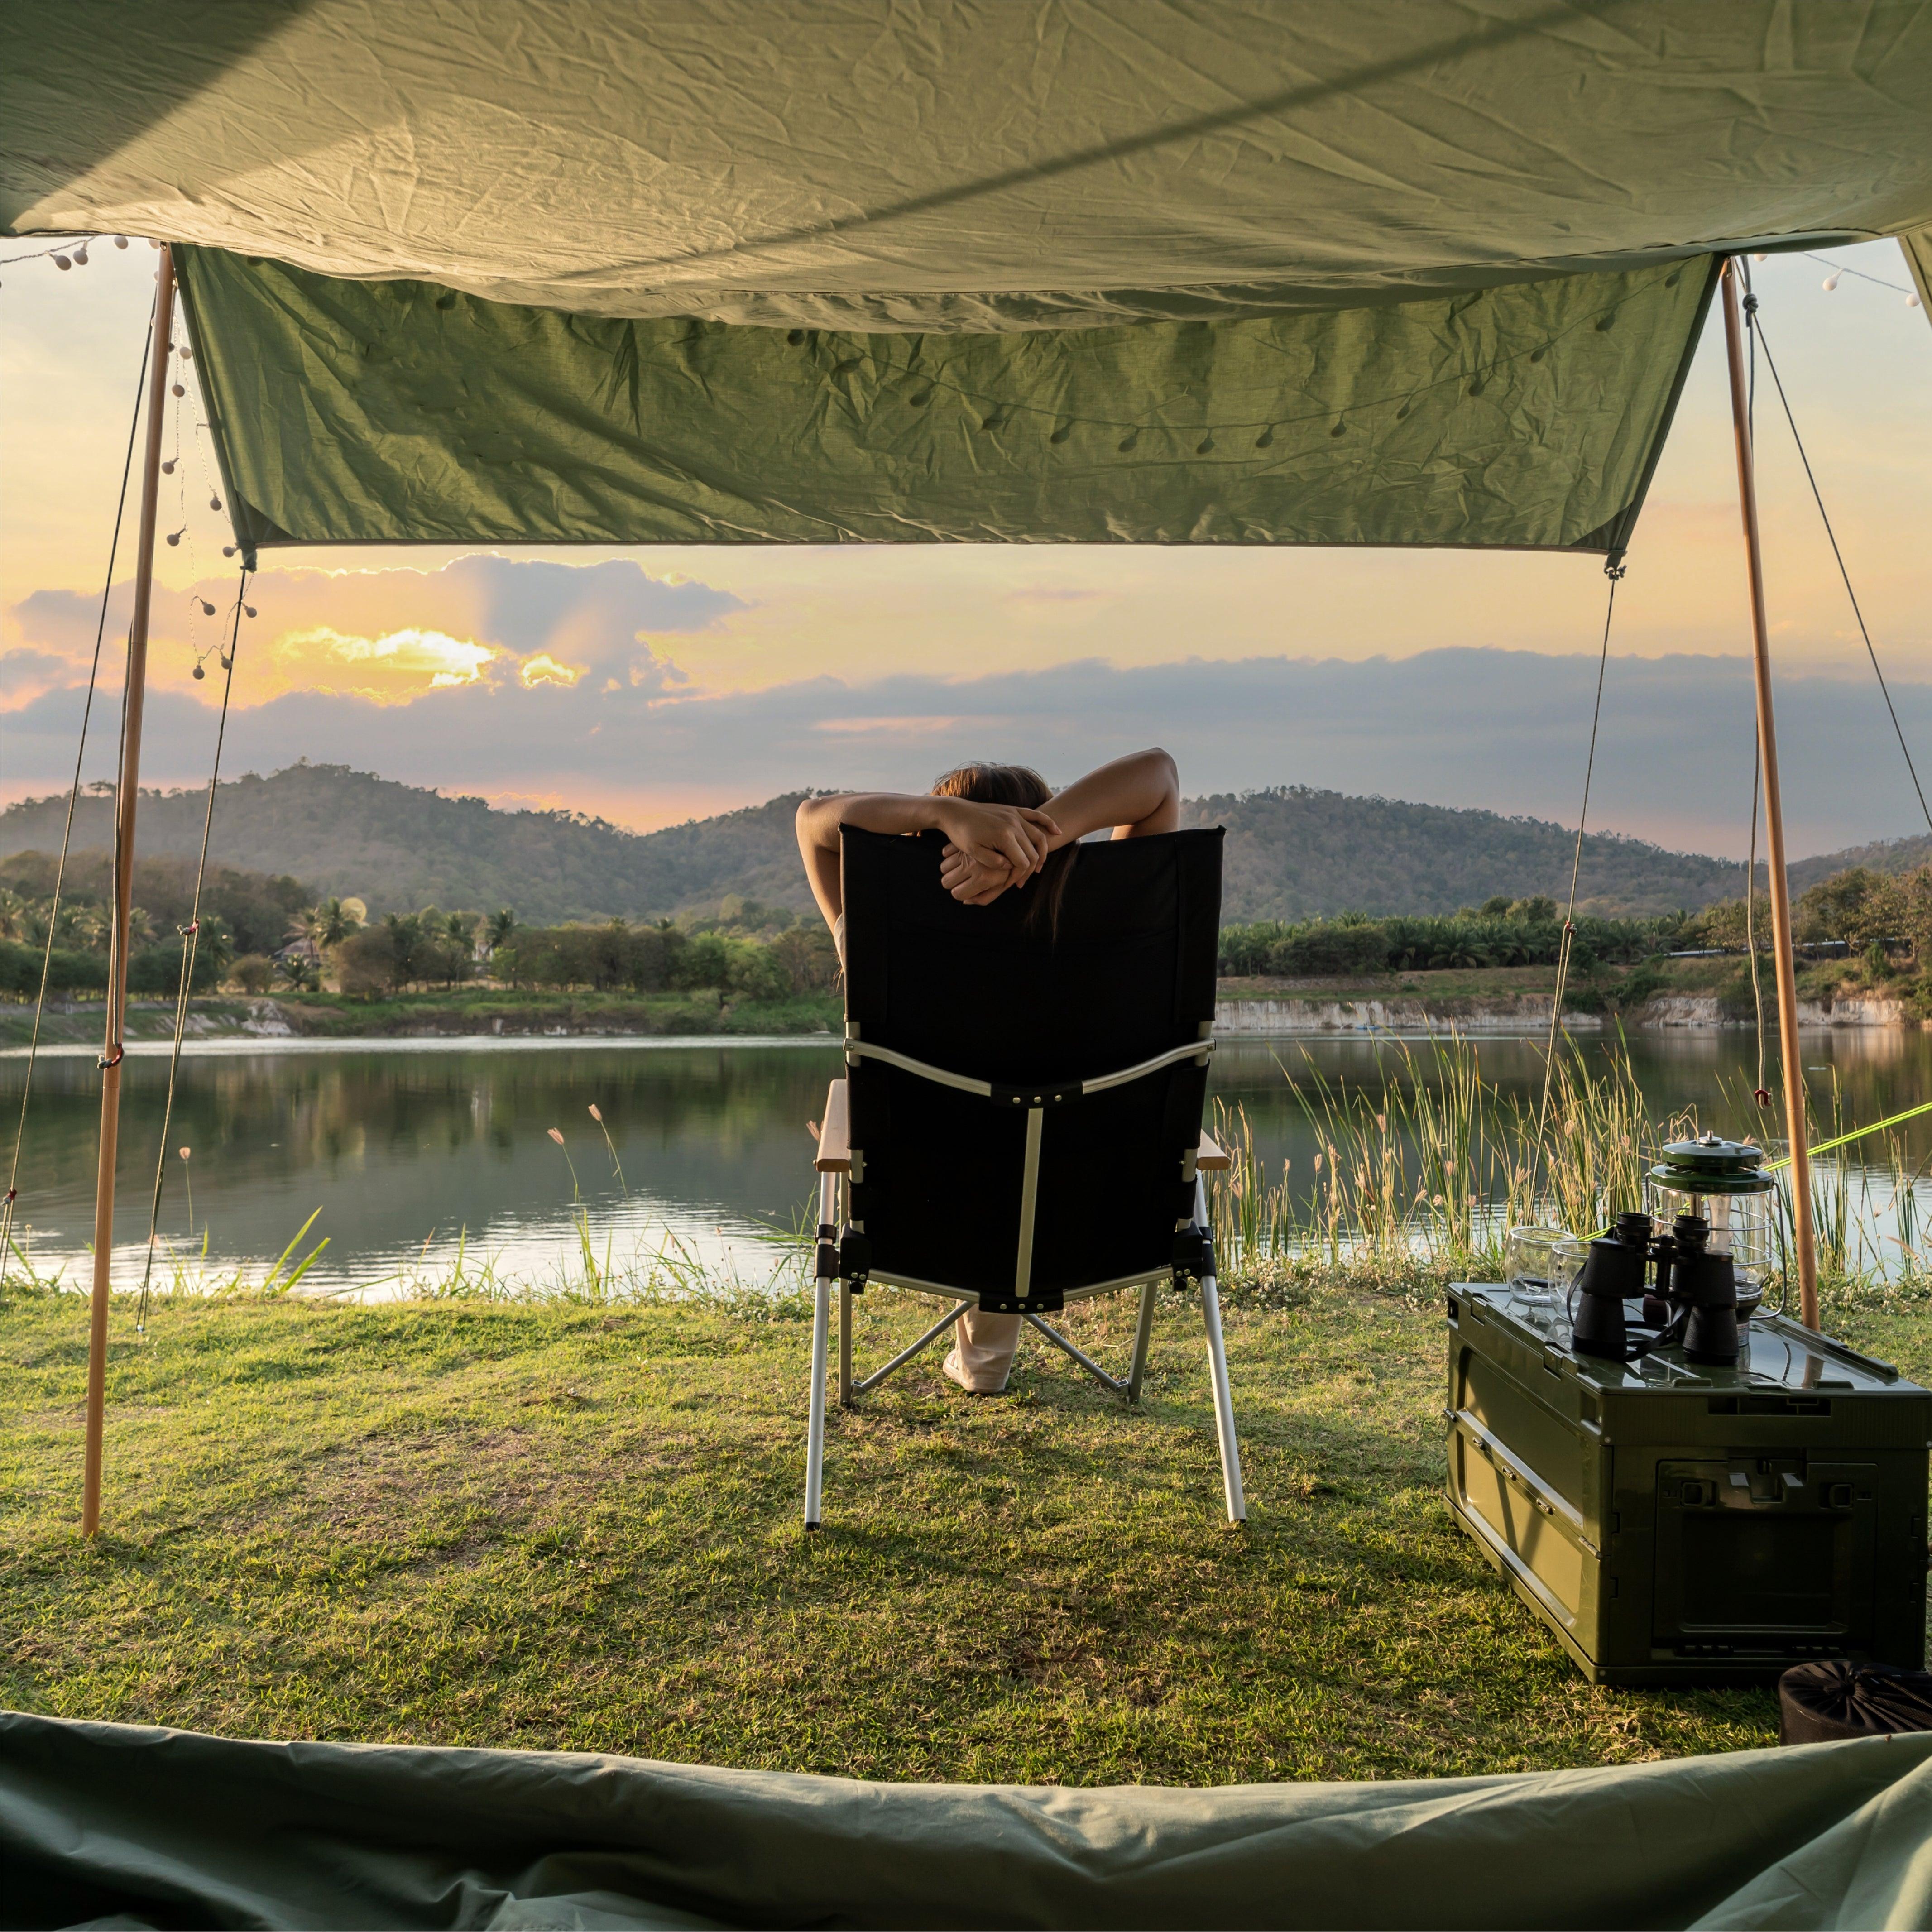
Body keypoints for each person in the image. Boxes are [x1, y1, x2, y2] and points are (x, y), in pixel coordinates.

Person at [795, 748, 1181, 1394]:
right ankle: (983, 1358)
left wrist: (944, 816)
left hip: (932, 1191)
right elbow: (1159, 776)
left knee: (982, 1132)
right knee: (1026, 1130)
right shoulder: (1113, 924)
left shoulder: (879, 930)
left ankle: (981, 1361)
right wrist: (1039, 836)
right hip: (1094, 1187)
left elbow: (812, 822)